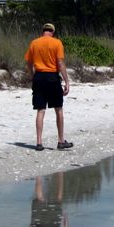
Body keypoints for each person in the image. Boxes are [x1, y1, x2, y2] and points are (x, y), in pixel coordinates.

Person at [24, 22, 72, 151]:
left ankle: (39, 143)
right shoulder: (57, 43)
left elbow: (29, 63)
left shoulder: (34, 43)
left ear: (43, 31)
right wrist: (67, 81)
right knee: (58, 109)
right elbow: (60, 63)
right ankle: (61, 141)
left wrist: (32, 76)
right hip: (52, 78)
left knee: (40, 110)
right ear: (53, 32)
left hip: (39, 77)